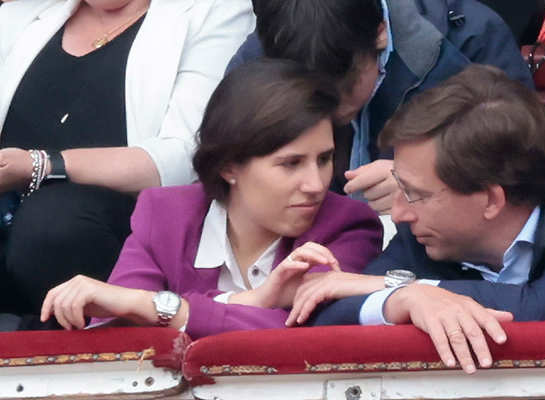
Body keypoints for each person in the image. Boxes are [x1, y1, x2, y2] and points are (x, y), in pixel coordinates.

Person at [286, 65, 545, 374]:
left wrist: (412, 289)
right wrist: (403, 297)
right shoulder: (424, 227)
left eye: (417, 194)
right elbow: (326, 315)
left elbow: (540, 313)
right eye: (400, 188)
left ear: (491, 200)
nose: (400, 213)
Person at [39, 60, 383, 338]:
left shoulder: (348, 225)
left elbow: (309, 332)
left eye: (324, 159)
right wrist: (250, 303)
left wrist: (162, 309)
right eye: (291, 163)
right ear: (229, 165)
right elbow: (122, 333)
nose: (316, 183)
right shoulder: (163, 215)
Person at [0, 0, 254, 326]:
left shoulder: (212, 10)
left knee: (52, 224)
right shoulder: (17, 16)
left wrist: (39, 166)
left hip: (113, 235)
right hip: (10, 221)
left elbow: (184, 158)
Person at [227, 0, 533, 214]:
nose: (331, 113)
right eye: (312, 96)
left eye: (345, 87)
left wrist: (430, 180)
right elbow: (225, 166)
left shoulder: (469, 39)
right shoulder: (260, 60)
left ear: (381, 33)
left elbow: (529, 162)